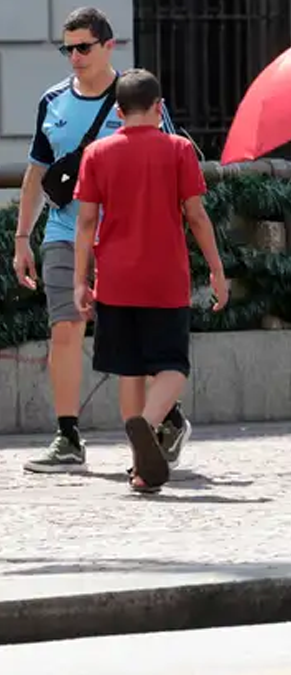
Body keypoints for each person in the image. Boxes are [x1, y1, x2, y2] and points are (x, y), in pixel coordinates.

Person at [16, 8, 185, 474]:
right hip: (66, 232)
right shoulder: (52, 100)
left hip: (128, 241)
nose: (74, 57)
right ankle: (67, 435)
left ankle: (163, 418)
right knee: (65, 327)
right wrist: (21, 237)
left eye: (83, 47)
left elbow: (171, 164)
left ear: (109, 46)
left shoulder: (137, 98)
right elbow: (36, 171)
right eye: (67, 48)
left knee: (136, 338)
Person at [69, 70, 227, 494]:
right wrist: (215, 267)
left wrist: (81, 280)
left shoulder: (98, 154)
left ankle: (140, 465)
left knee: (129, 371)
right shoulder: (178, 149)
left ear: (118, 112)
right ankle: (149, 426)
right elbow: (195, 215)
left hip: (116, 279)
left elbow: (85, 223)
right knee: (172, 366)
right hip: (165, 277)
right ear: (160, 108)